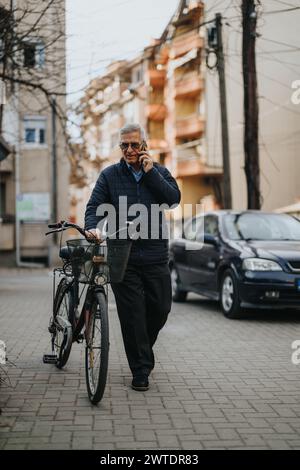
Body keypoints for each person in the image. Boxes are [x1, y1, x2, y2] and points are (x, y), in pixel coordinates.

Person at [84, 123, 181, 391]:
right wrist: (93, 226)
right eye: (124, 145)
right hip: (121, 255)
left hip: (155, 254)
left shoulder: (159, 172)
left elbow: (173, 200)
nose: (129, 150)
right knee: (132, 316)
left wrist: (151, 174)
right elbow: (94, 207)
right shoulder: (110, 175)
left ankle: (142, 352)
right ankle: (140, 371)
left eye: (134, 145)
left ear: (144, 146)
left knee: (160, 309)